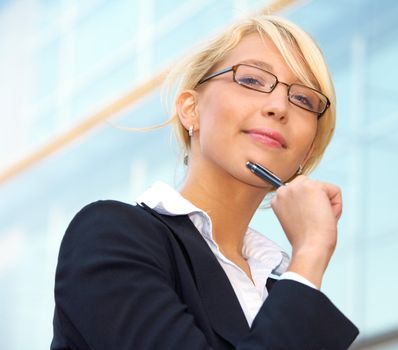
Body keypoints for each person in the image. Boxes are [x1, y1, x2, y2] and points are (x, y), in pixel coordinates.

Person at [51, 15, 359, 350]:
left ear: (309, 146)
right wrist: (311, 251)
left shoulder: (284, 293)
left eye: (303, 100)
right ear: (190, 109)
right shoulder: (110, 234)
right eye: (253, 80)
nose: (279, 106)